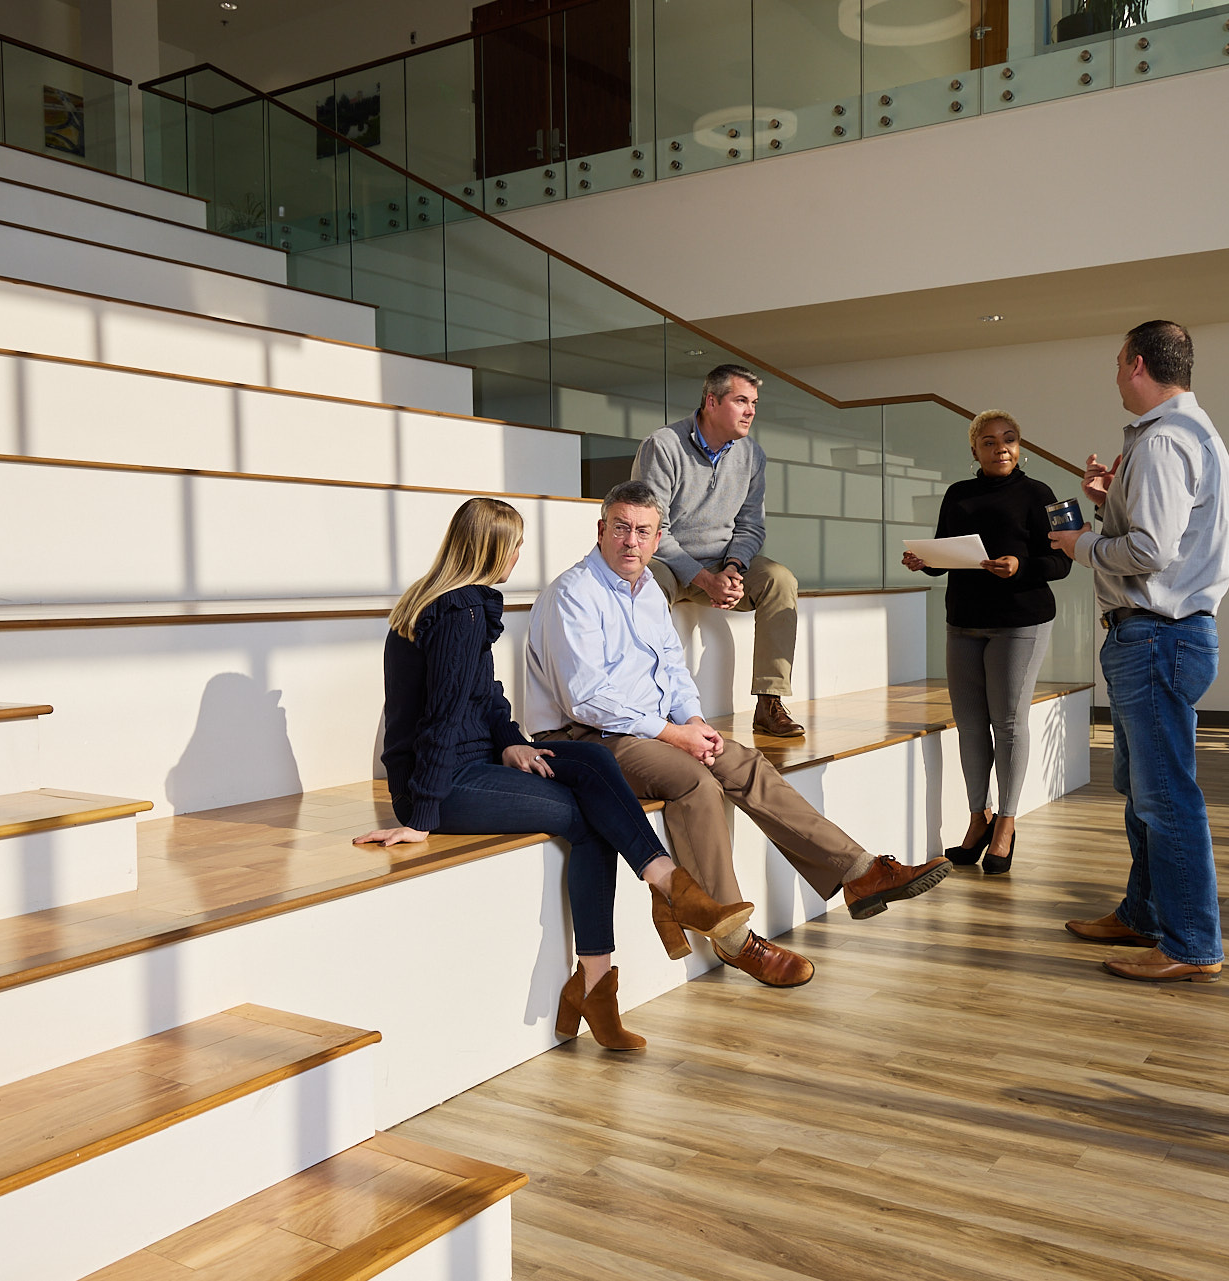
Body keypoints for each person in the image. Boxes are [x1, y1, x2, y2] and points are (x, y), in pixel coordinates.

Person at [355, 497, 755, 1049]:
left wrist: (514, 745)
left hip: (474, 762)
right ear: (494, 549)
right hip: (443, 782)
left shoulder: (460, 605)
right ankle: (620, 954)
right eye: (516, 544)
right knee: (588, 815)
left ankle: (650, 909)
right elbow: (442, 720)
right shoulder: (458, 615)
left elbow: (485, 695)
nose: (520, 554)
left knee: (591, 759)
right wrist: (420, 816)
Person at [524, 480, 951, 989]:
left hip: (645, 729)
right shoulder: (574, 594)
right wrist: (673, 736)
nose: (630, 541)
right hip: (581, 738)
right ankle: (734, 939)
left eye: (642, 531)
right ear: (601, 530)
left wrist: (695, 721)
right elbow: (586, 699)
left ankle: (858, 872)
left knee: (741, 760)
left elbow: (673, 671)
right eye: (620, 528)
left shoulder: (647, 593)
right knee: (693, 779)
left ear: (658, 539)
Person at [1047, 320, 1229, 984]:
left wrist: (1079, 546)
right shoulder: (1189, 434)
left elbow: (1149, 553)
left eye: (1117, 360)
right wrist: (1107, 503)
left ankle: (1191, 943)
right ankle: (1144, 913)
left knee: (1165, 797)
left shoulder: (1160, 443)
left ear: (1136, 364)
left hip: (1155, 634)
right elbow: (1158, 538)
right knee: (1143, 791)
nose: (1115, 371)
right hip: (1158, 635)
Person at [901, 410, 1070, 875]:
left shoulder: (1039, 495)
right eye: (990, 441)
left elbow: (1061, 562)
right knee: (970, 724)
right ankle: (979, 818)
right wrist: (924, 561)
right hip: (965, 621)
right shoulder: (959, 494)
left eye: (1010, 439)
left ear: (1021, 446)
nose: (1001, 448)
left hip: (1021, 621)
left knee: (1009, 723)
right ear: (973, 450)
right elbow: (946, 555)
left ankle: (1006, 826)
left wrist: (1021, 564)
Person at [632, 364, 807, 739]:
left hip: (721, 561)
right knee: (644, 586)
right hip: (665, 559)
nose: (751, 411)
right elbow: (651, 528)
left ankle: (769, 702)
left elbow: (750, 524)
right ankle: (650, 703)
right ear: (711, 401)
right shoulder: (663, 446)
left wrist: (732, 566)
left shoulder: (753, 455)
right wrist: (704, 579)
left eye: (754, 403)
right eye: (741, 400)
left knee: (780, 579)